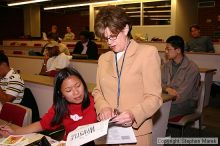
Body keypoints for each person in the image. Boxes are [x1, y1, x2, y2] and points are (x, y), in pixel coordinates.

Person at [92, 6, 162, 146]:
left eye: (112, 36)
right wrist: (103, 107)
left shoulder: (147, 53)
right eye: (105, 38)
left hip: (136, 133)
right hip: (109, 131)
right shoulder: (103, 59)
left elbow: (154, 98)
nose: (109, 43)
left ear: (125, 29)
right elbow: (97, 91)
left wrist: (133, 114)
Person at [0, 67, 97, 145]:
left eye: (78, 85)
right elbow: (42, 124)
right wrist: (16, 131)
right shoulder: (61, 106)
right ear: (61, 94)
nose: (76, 93)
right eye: (68, 90)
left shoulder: (96, 102)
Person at [162, 35, 201, 118]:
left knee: (159, 112)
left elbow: (182, 95)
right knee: (152, 109)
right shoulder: (167, 65)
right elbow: (159, 84)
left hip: (186, 103)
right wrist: (167, 89)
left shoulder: (192, 68)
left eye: (168, 49)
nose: (166, 52)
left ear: (178, 50)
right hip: (168, 99)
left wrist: (165, 100)